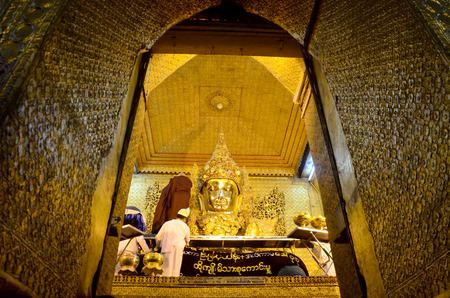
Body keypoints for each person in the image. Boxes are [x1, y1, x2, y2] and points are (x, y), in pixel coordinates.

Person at [155, 208, 191, 277]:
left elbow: (157, 237)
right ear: (184, 219)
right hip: (178, 249)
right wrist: (187, 243)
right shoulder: (185, 226)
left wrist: (158, 246)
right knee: (175, 270)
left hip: (167, 247)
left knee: (164, 270)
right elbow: (187, 240)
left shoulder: (167, 223)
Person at [116, 207, 151, 275]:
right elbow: (140, 239)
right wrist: (148, 253)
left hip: (117, 254)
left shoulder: (121, 222)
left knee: (116, 277)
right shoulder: (137, 220)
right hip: (130, 257)